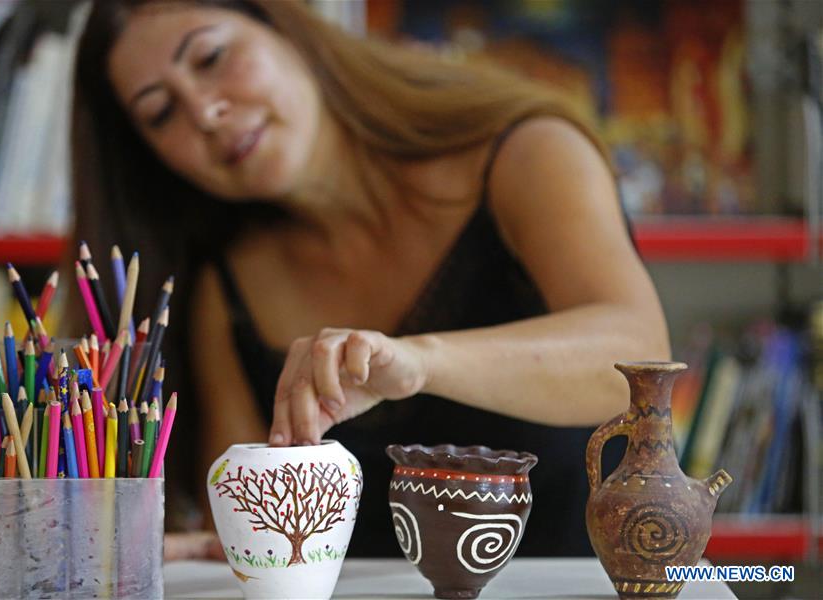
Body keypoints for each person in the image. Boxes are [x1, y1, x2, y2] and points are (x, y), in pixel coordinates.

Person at [72, 0, 670, 559]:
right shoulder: (221, 293)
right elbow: (249, 534)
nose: (204, 112)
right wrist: (208, 552)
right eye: (160, 113)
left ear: (289, 29)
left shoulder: (525, 153)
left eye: (210, 58)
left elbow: (638, 363)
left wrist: (418, 362)